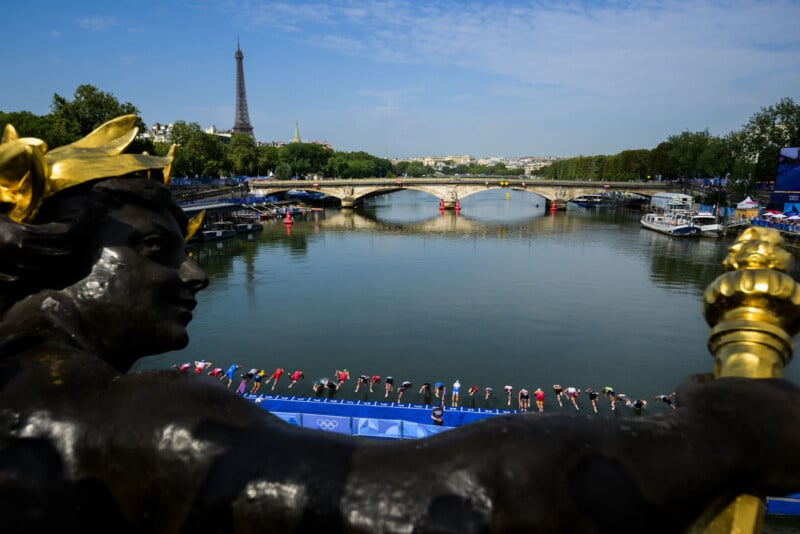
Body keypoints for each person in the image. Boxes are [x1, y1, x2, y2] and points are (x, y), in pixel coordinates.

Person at [5, 117, 800, 532]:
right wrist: (724, 433)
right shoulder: (141, 424)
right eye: (154, 248)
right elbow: (451, 501)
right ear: (55, 256)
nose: (192, 273)